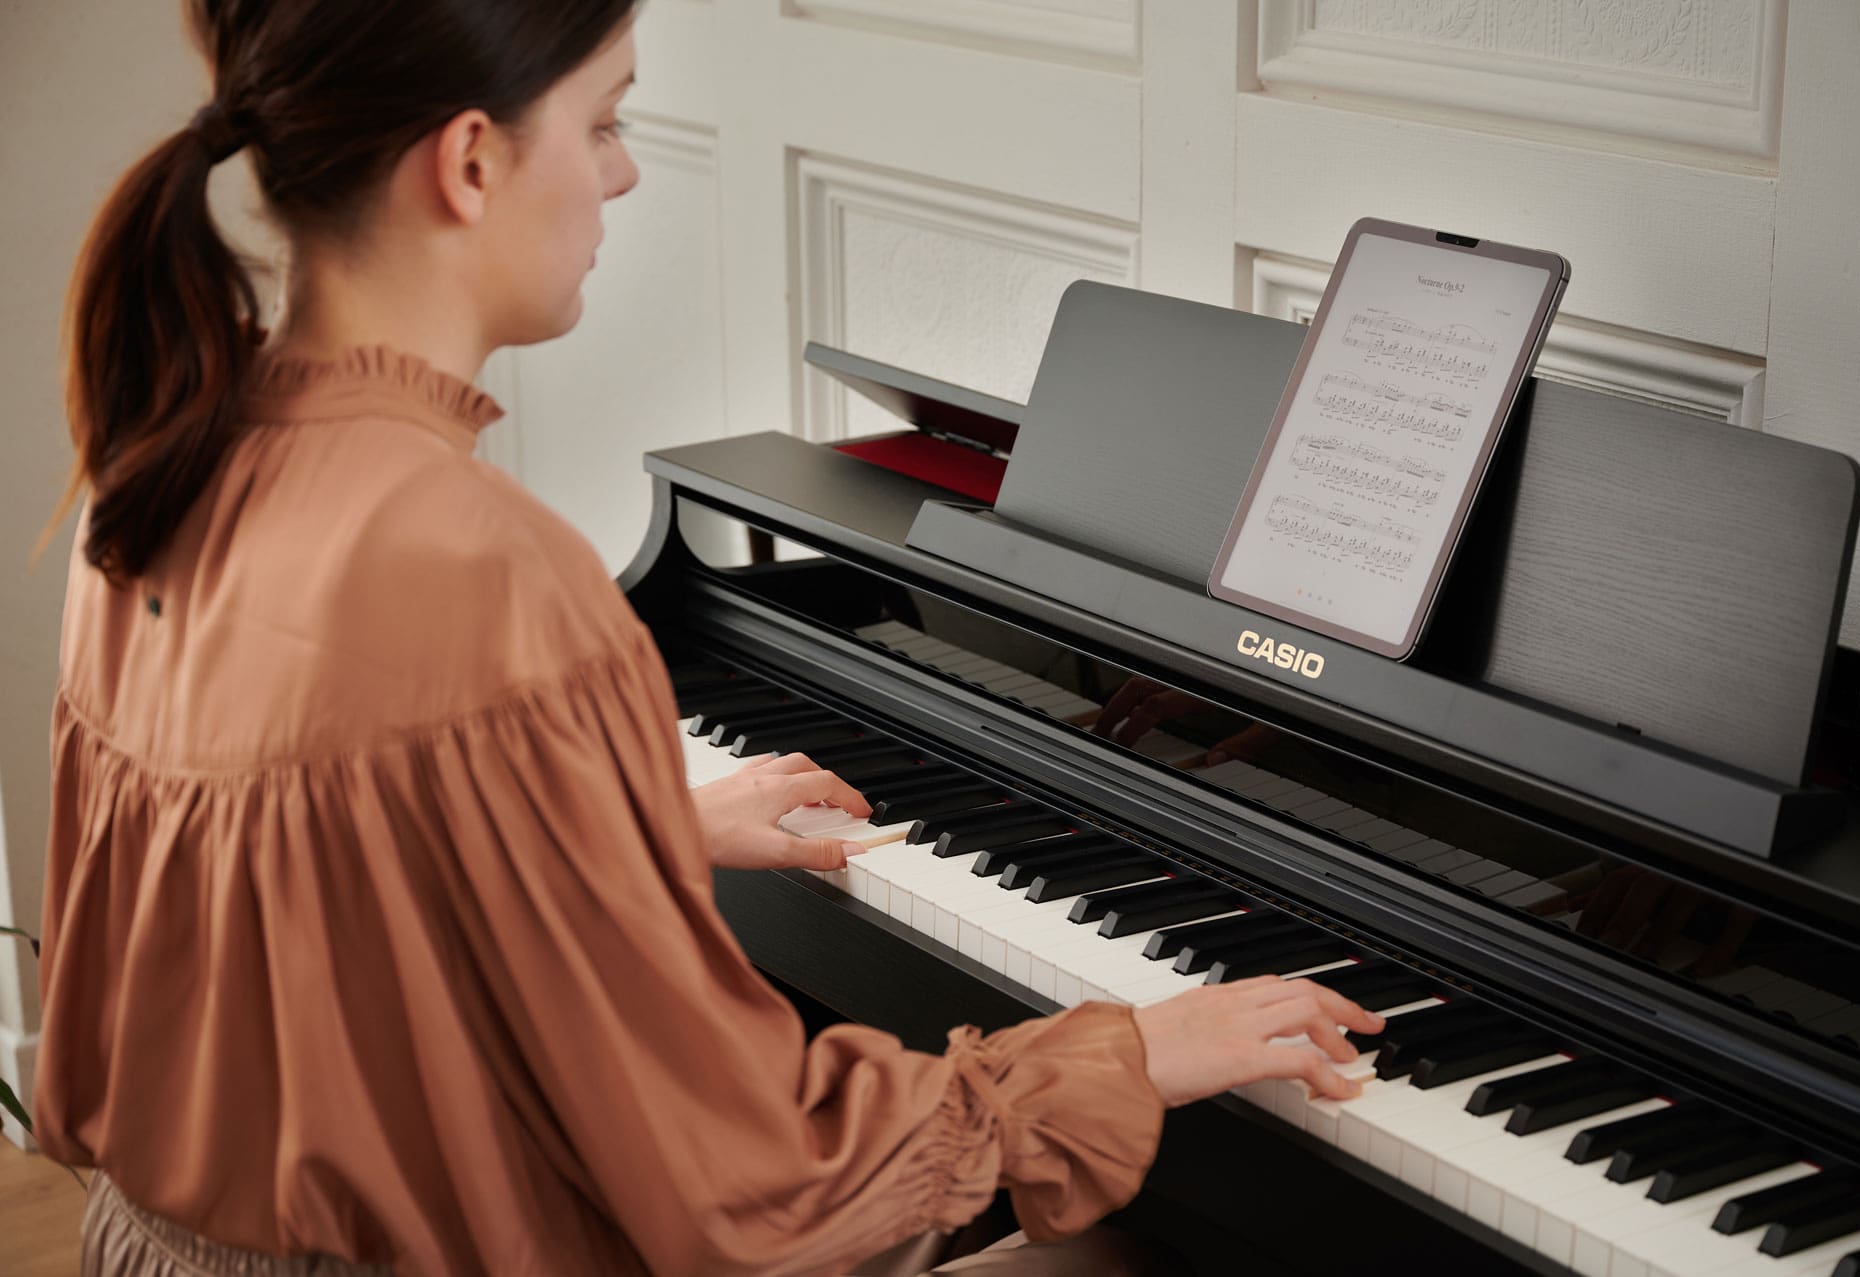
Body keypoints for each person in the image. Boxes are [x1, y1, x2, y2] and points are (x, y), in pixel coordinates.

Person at [33, 3, 1384, 1274]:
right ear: (468, 162)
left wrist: (630, 834)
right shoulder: (488, 571)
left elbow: (301, 906)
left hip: (153, 1244)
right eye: (605, 121)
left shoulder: (160, 472)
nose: (619, 177)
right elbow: (754, 1194)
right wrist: (1130, 1051)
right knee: (1133, 1250)